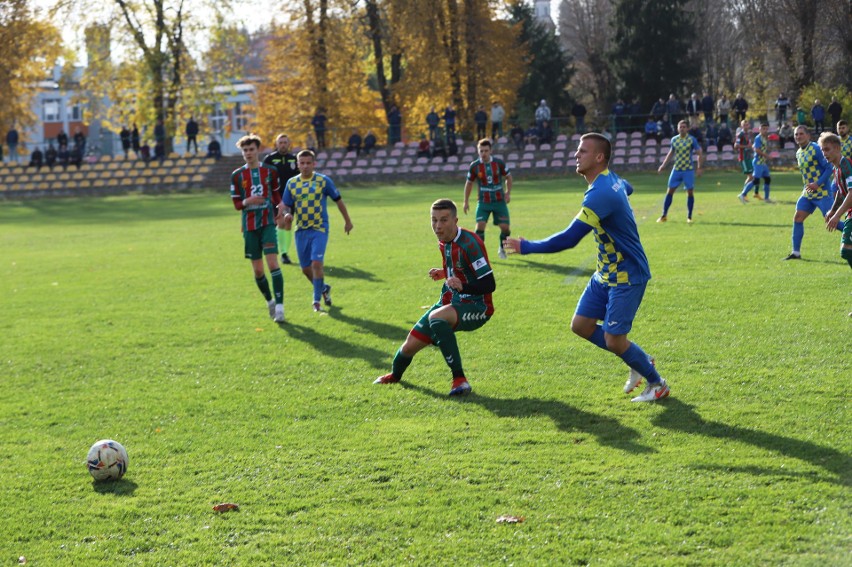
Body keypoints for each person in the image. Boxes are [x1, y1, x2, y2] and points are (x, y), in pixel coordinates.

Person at [504, 132, 669, 403]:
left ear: (599, 157)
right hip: (604, 273)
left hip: (627, 275)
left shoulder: (600, 194)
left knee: (615, 341)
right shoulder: (610, 180)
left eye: (582, 151)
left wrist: (527, 247)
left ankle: (656, 382)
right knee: (581, 325)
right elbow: (627, 187)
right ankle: (638, 360)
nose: (576, 155)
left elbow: (569, 239)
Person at [373, 198, 495, 396]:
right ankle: (395, 376)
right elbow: (459, 267)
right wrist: (444, 273)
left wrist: (463, 286)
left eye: (444, 220)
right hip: (451, 301)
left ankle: (460, 380)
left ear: (455, 221)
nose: (438, 226)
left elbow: (490, 284)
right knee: (407, 348)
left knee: (436, 318)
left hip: (477, 306)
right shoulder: (444, 240)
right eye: (434, 220)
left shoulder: (470, 243)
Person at [279, 150, 353, 312]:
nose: (305, 166)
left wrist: (347, 221)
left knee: (317, 264)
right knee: (306, 269)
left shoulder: (323, 181)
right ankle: (324, 288)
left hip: (320, 228)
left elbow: (338, 201)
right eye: (302, 163)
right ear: (297, 165)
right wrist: (287, 215)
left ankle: (316, 301)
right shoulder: (291, 183)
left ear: (314, 164)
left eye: (308, 163)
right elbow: (285, 205)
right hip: (301, 231)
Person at [229, 133, 285, 323]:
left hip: (268, 221)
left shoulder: (270, 171)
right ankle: (269, 300)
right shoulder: (237, 176)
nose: (248, 153)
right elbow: (237, 204)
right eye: (245, 150)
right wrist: (247, 201)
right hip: (249, 225)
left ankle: (280, 307)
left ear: (258, 150)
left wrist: (280, 208)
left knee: (272, 264)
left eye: (251, 149)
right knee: (258, 271)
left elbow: (276, 195)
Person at [784, 125, 837, 260]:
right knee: (798, 218)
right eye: (796, 134)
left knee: (831, 220)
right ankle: (796, 253)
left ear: (808, 136)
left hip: (822, 193)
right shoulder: (798, 153)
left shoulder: (816, 148)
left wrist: (817, 184)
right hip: (808, 193)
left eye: (801, 134)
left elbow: (829, 168)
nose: (798, 137)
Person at [463, 138, 513, 259]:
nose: (483, 153)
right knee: (480, 225)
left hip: (499, 201)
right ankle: (479, 253)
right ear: (478, 151)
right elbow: (469, 183)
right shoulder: (475, 166)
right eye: (481, 151)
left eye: (486, 150)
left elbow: (508, 177)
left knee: (505, 228)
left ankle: (502, 248)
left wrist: (507, 193)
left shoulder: (499, 163)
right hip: (483, 202)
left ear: (490, 151)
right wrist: (466, 201)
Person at [263, 133, 300, 265]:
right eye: (281, 142)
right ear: (276, 144)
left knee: (289, 223)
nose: (283, 144)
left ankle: (285, 251)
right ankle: (283, 253)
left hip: (291, 197)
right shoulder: (269, 159)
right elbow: (264, 178)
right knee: (281, 222)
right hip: (276, 197)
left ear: (289, 144)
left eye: (285, 142)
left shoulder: (294, 159)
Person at [657, 120, 703, 223]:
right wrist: (663, 165)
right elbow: (671, 153)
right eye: (680, 127)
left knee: (690, 192)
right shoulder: (674, 140)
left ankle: (689, 217)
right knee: (670, 191)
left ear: (687, 129)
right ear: (677, 128)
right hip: (676, 169)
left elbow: (699, 153)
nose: (682, 128)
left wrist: (699, 167)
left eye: (684, 127)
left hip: (688, 170)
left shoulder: (691, 140)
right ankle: (664, 215)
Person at [821, 132, 852, 271]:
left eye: (827, 149)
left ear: (838, 148)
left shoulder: (846, 164)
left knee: (846, 250)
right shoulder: (836, 167)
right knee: (847, 250)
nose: (824, 153)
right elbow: (841, 191)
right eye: (822, 150)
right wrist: (833, 209)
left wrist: (837, 215)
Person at [735, 120, 758, 203]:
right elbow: (736, 145)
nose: (746, 126)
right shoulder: (740, 135)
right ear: (742, 126)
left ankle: (744, 194)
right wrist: (746, 146)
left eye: (747, 124)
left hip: (749, 157)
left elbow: (749, 144)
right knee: (751, 177)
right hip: (743, 157)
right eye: (744, 125)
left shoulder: (748, 134)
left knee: (751, 176)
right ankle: (743, 194)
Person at [751, 123, 774, 203]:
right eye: (763, 128)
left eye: (766, 129)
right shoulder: (758, 138)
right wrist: (767, 156)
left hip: (762, 162)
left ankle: (766, 198)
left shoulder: (764, 138)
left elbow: (755, 147)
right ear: (759, 129)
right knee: (756, 180)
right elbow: (757, 150)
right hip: (758, 161)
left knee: (767, 179)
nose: (765, 130)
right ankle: (743, 194)